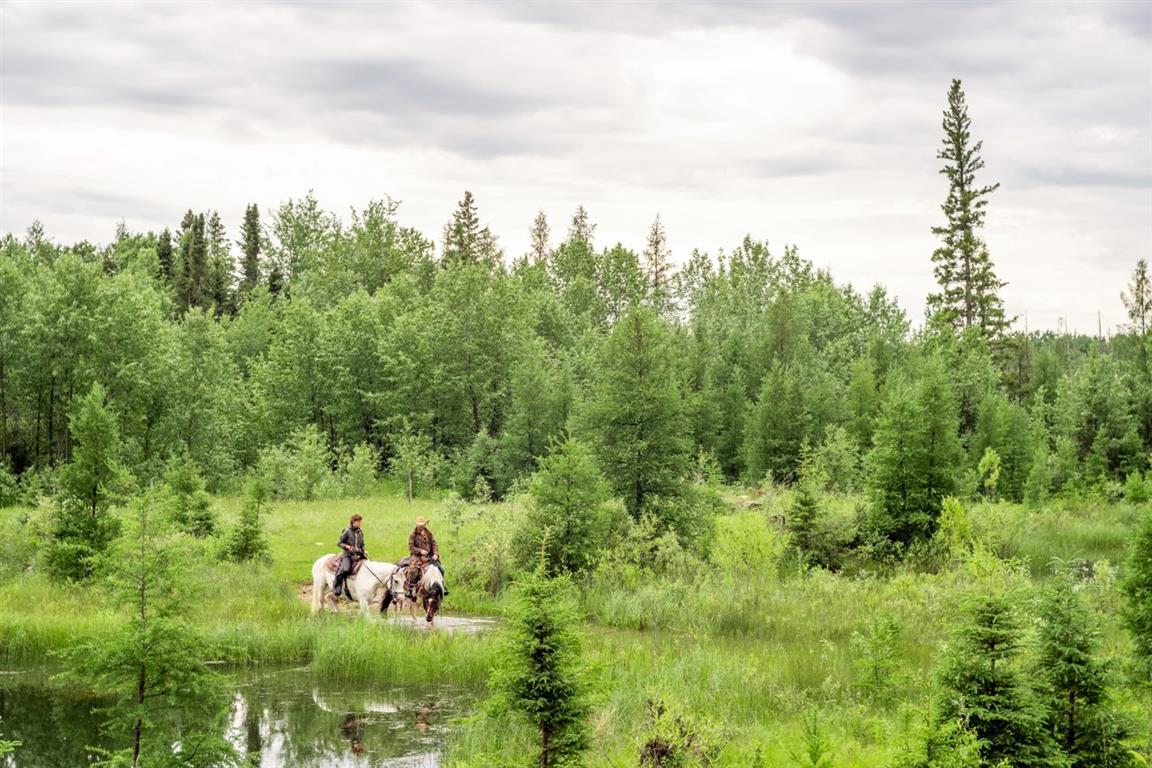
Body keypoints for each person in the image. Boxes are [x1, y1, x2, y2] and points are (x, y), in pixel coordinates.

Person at [404, 516, 447, 599]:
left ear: (425, 525)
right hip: (417, 556)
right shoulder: (413, 535)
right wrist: (420, 551)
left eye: (423, 525)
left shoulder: (429, 534)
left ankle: (442, 586)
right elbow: (411, 547)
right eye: (420, 525)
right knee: (413, 571)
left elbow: (434, 544)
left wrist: (435, 554)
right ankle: (409, 590)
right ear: (417, 525)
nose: (421, 526)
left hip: (430, 556)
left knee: (441, 569)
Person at [332, 514, 366, 599]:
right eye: (358, 522)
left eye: (360, 522)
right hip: (348, 555)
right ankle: (337, 585)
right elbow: (339, 543)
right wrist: (347, 547)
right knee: (345, 569)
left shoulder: (360, 531)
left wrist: (364, 550)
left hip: (359, 554)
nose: (360, 524)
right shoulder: (347, 530)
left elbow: (362, 544)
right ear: (353, 521)